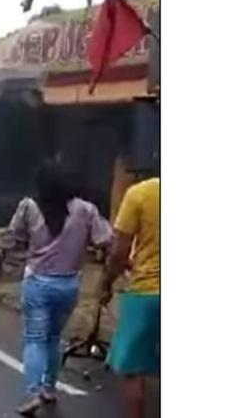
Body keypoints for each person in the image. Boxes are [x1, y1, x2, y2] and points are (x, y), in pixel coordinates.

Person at [5, 164, 113, 415]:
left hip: (38, 283)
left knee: (35, 339)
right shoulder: (86, 210)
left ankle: (32, 393)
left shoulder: (29, 207)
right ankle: (50, 388)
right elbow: (105, 239)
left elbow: (13, 237)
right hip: (68, 285)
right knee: (54, 338)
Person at [99, 175, 160, 418]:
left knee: (134, 372)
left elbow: (119, 253)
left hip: (146, 293)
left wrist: (106, 284)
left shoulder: (139, 193)